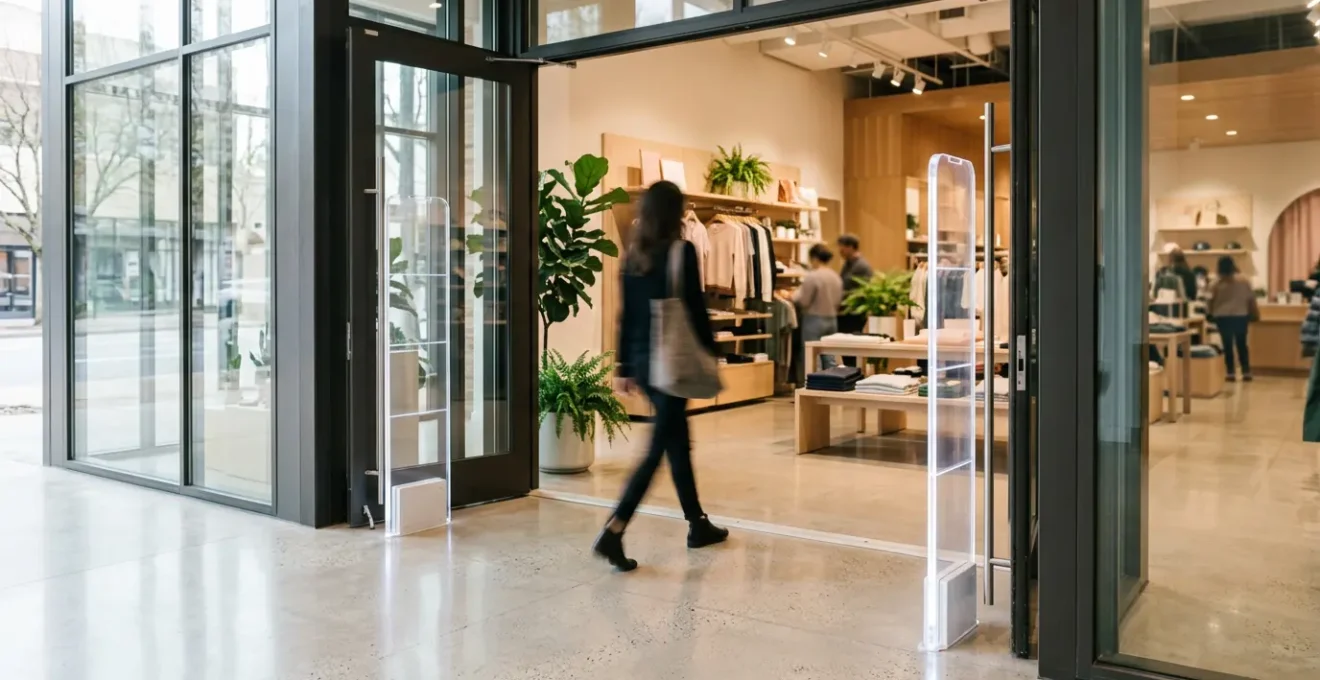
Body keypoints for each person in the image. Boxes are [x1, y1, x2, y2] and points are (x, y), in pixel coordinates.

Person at [594, 181, 728, 572]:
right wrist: (712, 352)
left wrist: (623, 367)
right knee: (656, 451)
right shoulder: (681, 251)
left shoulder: (633, 256)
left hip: (645, 364)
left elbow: (626, 317)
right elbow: (695, 310)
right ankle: (614, 529)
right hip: (673, 362)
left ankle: (697, 523)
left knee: (677, 441)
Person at [793, 244, 844, 369]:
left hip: (814, 320)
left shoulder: (813, 276)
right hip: (832, 319)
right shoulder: (836, 276)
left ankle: (814, 380)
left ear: (814, 258)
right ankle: (830, 379)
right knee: (830, 356)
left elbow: (804, 301)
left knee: (813, 357)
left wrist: (792, 296)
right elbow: (839, 300)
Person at [1209, 255, 1256, 382]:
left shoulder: (1215, 283)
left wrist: (1210, 313)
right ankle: (1246, 371)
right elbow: (1251, 298)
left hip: (1222, 316)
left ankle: (1230, 372)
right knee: (1242, 344)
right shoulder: (1244, 280)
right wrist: (1253, 312)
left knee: (1227, 345)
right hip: (1241, 315)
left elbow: (1210, 301)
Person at [836, 234, 874, 336]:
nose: (840, 252)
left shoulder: (861, 266)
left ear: (851, 247)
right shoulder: (848, 264)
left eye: (842, 249)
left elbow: (859, 289)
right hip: (846, 311)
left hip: (854, 312)